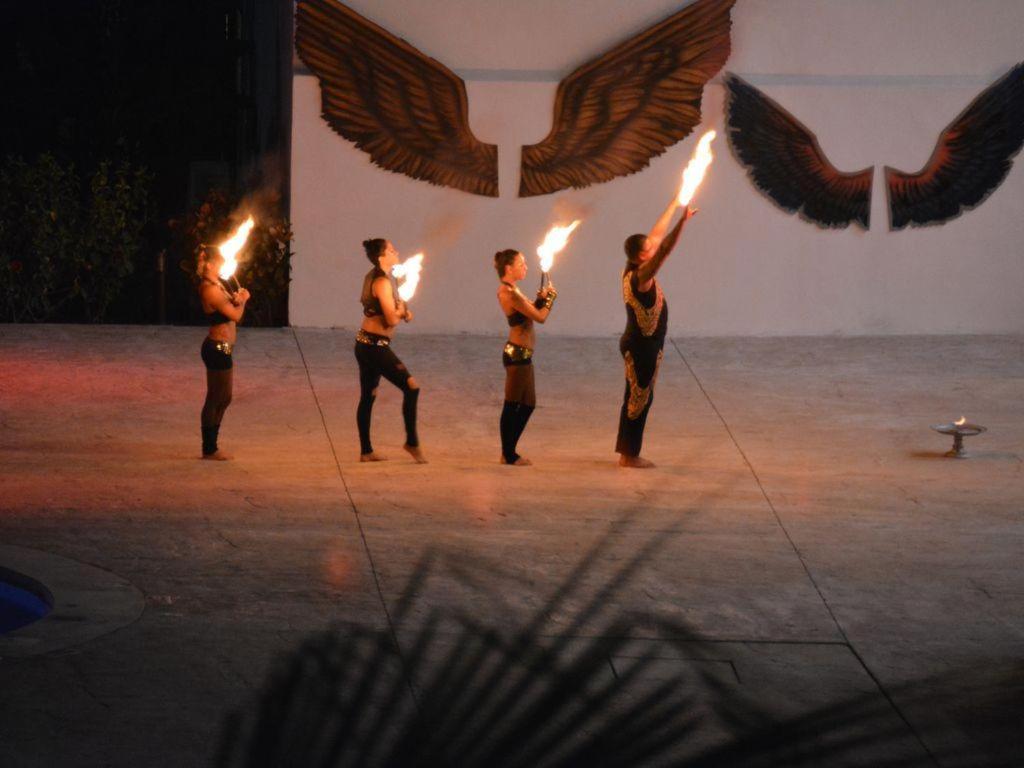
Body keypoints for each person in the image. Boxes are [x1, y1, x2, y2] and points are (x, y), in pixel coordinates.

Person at [616, 197, 697, 468]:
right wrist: (682, 222)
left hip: (644, 344)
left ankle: (626, 451)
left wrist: (676, 199)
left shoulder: (631, 265)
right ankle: (629, 456)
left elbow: (656, 236)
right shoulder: (642, 276)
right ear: (642, 256)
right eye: (648, 248)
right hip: (641, 346)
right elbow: (663, 250)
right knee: (639, 399)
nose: (653, 245)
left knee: (638, 397)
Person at [354, 238, 426, 463]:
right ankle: (412, 443)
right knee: (411, 387)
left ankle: (366, 452)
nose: (397, 251)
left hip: (365, 344)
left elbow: (385, 311)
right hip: (374, 347)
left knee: (369, 396)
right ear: (381, 256)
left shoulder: (376, 276)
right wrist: (401, 313)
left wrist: (402, 311)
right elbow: (391, 319)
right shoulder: (382, 282)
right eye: (392, 250)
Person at [495, 249, 556, 466]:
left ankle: (509, 451)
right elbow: (540, 318)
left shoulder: (514, 290)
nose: (526, 267)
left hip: (524, 354)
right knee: (511, 404)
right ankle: (508, 454)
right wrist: (549, 300)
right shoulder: (510, 293)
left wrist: (540, 301)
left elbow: (528, 315)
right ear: (509, 268)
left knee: (528, 404)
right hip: (516, 355)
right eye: (521, 264)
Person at [197, 246, 250, 460]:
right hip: (216, 348)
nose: (222, 265)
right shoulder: (209, 289)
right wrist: (244, 300)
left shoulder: (217, 284)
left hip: (223, 348)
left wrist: (236, 299)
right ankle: (209, 448)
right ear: (209, 264)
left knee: (225, 398)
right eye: (218, 262)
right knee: (214, 398)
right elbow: (236, 316)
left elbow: (230, 308)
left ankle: (212, 444)